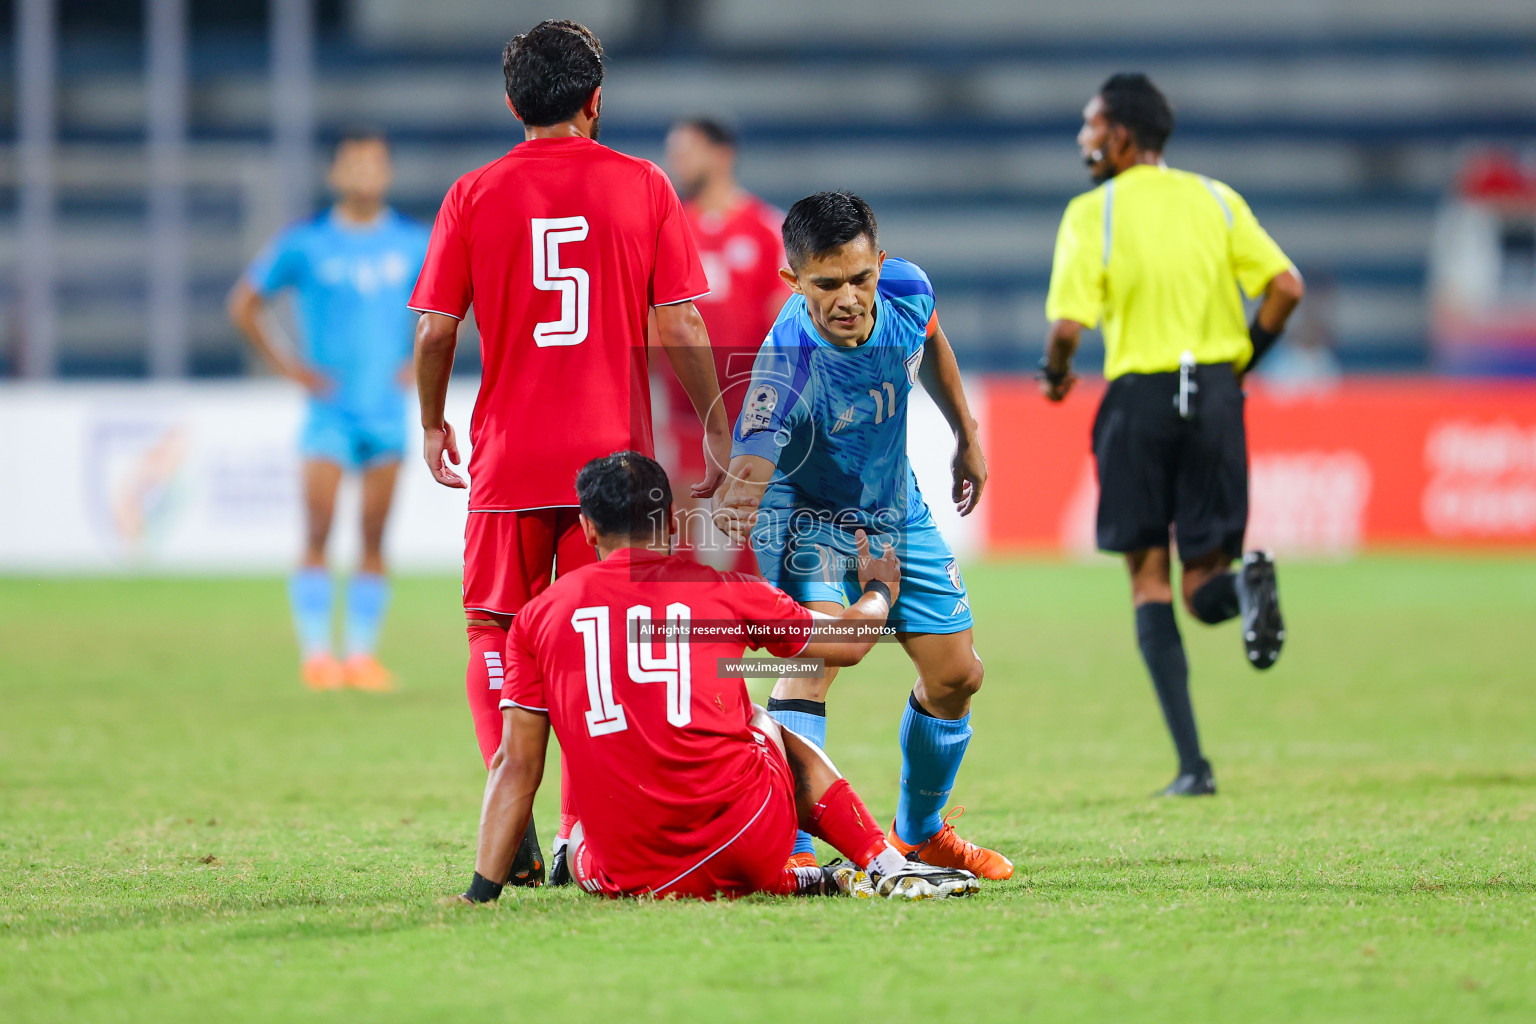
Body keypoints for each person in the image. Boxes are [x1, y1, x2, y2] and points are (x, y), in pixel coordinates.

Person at [410, 20, 731, 883]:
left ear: (513, 102)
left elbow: (437, 327)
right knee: (606, 636)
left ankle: (501, 793)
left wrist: (433, 421)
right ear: (596, 100)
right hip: (613, 465)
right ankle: (579, 834)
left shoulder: (472, 193)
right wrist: (713, 422)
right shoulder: (645, 185)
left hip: (508, 457)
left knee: (496, 628)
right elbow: (680, 319)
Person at [454, 451, 980, 902]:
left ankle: (807, 879)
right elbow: (850, 644)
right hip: (747, 839)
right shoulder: (725, 589)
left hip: (628, 871)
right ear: (673, 521)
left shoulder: (538, 617)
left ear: (588, 527)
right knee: (759, 722)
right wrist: (879, 591)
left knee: (585, 838)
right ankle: (881, 865)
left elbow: (516, 765)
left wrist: (481, 894)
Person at [713, 192, 1012, 881]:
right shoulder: (780, 368)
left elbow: (930, 340)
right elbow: (751, 475)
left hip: (893, 506)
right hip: (802, 514)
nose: (848, 298)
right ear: (793, 282)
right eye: (826, 284)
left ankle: (920, 834)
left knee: (957, 675)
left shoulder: (907, 288)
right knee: (818, 659)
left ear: (879, 263)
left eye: (859, 278)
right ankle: (792, 848)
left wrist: (966, 436)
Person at [1039, 73, 1305, 796]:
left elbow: (1066, 327)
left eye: (1092, 126)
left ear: (1122, 135)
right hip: (1216, 394)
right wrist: (1240, 363)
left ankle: (1194, 766)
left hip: (1141, 399)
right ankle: (1245, 593)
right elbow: (1287, 287)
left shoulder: (1095, 211)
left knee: (1150, 579)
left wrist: (1056, 372)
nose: (1085, 139)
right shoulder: (1218, 199)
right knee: (1202, 583)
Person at [228, 130, 428, 693]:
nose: (365, 173)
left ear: (386, 174)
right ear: (336, 175)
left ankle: (361, 656)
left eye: (375, 163)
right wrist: (289, 367)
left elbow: (456, 305)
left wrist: (420, 364)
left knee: (373, 534)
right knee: (317, 528)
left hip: (386, 410)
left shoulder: (415, 242)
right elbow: (244, 303)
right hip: (330, 411)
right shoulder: (307, 242)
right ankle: (318, 655)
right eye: (354, 164)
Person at [658, 118, 789, 570]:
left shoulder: (766, 229)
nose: (677, 163)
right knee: (682, 511)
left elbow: (785, 317)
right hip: (685, 403)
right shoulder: (670, 228)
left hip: (751, 407)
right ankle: (695, 626)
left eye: (685, 151)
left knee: (753, 520)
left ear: (720, 154)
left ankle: (753, 623)